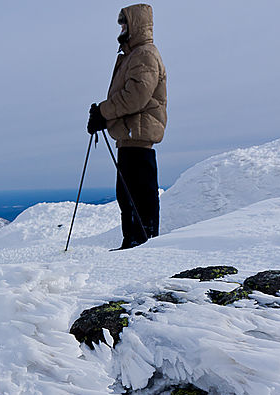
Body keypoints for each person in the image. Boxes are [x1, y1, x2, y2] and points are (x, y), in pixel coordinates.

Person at [88, 3, 167, 250]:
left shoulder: (144, 54)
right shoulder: (134, 55)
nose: (121, 28)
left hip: (138, 134)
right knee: (130, 194)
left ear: (135, 25)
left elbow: (136, 97)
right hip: (131, 134)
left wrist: (103, 111)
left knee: (136, 194)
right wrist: (105, 114)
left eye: (124, 23)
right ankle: (134, 242)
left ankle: (140, 244)